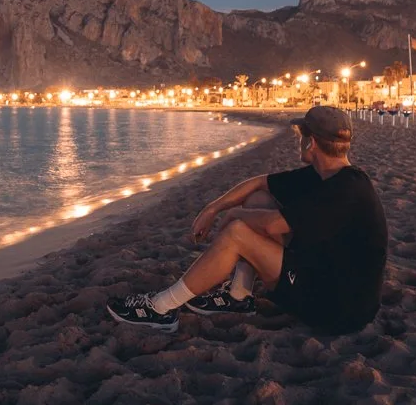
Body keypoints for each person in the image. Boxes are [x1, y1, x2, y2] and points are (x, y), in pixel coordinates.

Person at [105, 106, 387, 336]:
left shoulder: (346, 189)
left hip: (338, 308)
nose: (297, 141)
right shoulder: (327, 175)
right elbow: (259, 183)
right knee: (258, 200)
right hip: (327, 277)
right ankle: (238, 297)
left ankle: (160, 308)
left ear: (310, 142)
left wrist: (233, 214)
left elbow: (273, 226)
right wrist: (212, 209)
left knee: (238, 232)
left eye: (300, 136)